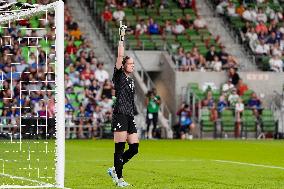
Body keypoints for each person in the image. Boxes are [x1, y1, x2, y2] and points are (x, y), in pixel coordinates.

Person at [107, 22, 139, 187]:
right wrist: (121, 37)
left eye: (133, 64)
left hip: (129, 115)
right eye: (130, 63)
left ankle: (114, 168)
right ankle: (119, 179)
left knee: (134, 148)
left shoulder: (132, 81)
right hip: (119, 114)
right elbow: (119, 56)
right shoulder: (119, 76)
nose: (132, 65)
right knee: (119, 148)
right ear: (124, 65)